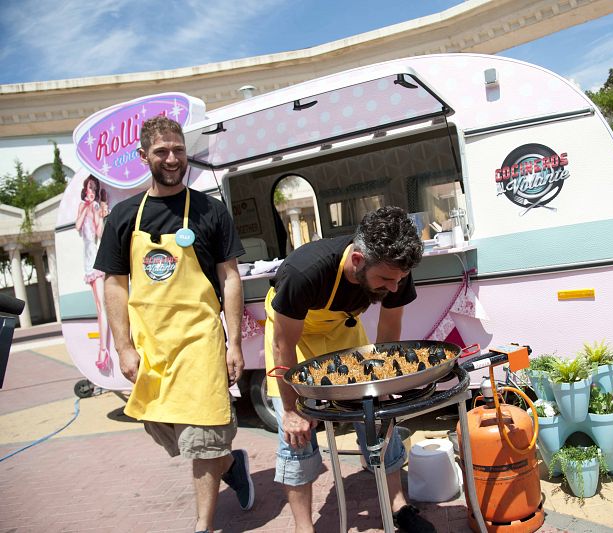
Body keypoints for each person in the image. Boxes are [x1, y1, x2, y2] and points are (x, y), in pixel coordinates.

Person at [95, 116, 254, 533]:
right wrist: (124, 347)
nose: (172, 158)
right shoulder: (124, 216)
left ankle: (202, 525)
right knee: (162, 425)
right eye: (162, 151)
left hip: (200, 339)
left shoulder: (210, 211)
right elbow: (114, 284)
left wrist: (233, 342)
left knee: (202, 436)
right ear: (143, 156)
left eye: (178, 149)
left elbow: (230, 277)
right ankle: (230, 465)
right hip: (152, 345)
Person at [264, 206, 435, 533]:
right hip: (292, 340)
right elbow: (282, 345)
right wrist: (291, 410)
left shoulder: (394, 268)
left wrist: (382, 387)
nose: (394, 288)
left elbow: (388, 332)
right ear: (357, 261)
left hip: (343, 333)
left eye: (399, 279)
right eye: (386, 280)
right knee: (296, 435)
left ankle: (398, 505)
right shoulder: (304, 273)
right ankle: (304, 526)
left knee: (379, 417)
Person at [76, 175, 112, 372]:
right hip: (88, 259)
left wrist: (99, 212)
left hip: (98, 259)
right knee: (100, 306)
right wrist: (88, 208)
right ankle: (104, 349)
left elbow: (99, 233)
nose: (91, 190)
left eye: (94, 187)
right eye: (89, 187)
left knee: (103, 306)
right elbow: (78, 226)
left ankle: (103, 350)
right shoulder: (84, 206)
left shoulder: (97, 207)